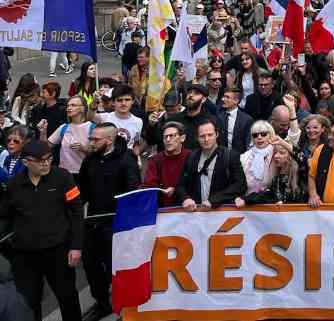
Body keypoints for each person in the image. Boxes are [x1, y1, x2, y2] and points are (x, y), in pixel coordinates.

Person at [0, 139, 83, 321]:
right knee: (29, 301)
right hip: (25, 255)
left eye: (48, 158)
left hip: (58, 251)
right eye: (39, 160)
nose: (46, 163)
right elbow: (5, 215)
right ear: (26, 162)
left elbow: (77, 212)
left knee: (67, 296)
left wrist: (76, 246)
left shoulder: (62, 177)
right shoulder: (14, 185)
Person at [77, 123, 141, 321]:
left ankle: (127, 308)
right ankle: (102, 303)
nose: (91, 143)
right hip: (92, 222)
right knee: (91, 266)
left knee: (118, 268)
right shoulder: (90, 160)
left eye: (96, 139)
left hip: (116, 225)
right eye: (91, 138)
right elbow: (82, 188)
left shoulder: (126, 159)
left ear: (109, 140)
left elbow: (133, 191)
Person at [176, 120, 247, 210]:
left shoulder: (230, 156)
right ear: (197, 137)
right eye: (202, 136)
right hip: (196, 212)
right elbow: (180, 184)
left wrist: (214, 200)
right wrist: (185, 198)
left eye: (210, 135)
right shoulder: (191, 157)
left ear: (216, 134)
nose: (206, 139)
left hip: (221, 211)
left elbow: (240, 185)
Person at [142, 121, 192, 207]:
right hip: (162, 207)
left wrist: (176, 190)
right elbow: (149, 184)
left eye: (172, 136)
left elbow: (195, 182)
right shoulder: (156, 160)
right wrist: (160, 189)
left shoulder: (191, 156)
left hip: (188, 205)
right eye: (165, 137)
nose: (168, 140)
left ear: (182, 138)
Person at [46, 96, 96, 176]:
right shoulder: (64, 127)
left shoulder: (92, 127)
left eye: (73, 105)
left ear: (83, 109)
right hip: (64, 173)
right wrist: (43, 131)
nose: (69, 108)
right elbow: (46, 146)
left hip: (84, 173)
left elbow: (98, 152)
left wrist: (84, 148)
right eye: (68, 105)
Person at [96, 84, 143, 152]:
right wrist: (94, 102)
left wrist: (136, 159)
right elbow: (88, 116)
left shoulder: (138, 121)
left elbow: (135, 144)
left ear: (133, 101)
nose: (123, 103)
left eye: (127, 100)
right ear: (113, 102)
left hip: (127, 160)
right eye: (119, 100)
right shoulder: (105, 117)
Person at [240, 120, 277, 196]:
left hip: (271, 201)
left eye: (263, 134)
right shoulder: (244, 157)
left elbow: (293, 143)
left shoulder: (276, 153)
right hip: (248, 200)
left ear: (270, 135)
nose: (259, 137)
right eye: (255, 135)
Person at [216, 87, 253, 154]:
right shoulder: (219, 116)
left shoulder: (247, 120)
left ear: (236, 101)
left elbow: (248, 143)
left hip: (239, 157)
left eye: (227, 97)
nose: (223, 99)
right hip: (221, 156)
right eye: (223, 97)